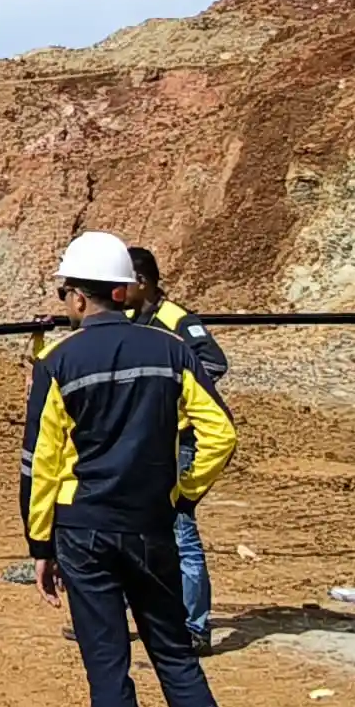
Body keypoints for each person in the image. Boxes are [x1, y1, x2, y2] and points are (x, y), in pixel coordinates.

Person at [23, 231, 244, 707]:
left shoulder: (58, 364)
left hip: (84, 530)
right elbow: (220, 433)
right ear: (122, 291)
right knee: (175, 654)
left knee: (108, 665)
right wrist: (182, 493)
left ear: (75, 296)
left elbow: (41, 463)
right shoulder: (170, 350)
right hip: (151, 525)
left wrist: (41, 544)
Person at [124, 246, 232, 647]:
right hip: (146, 437)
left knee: (181, 530)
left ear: (142, 281)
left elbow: (214, 363)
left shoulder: (177, 320)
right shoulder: (134, 320)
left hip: (178, 440)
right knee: (130, 527)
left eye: (124, 281)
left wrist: (176, 396)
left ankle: (195, 627)